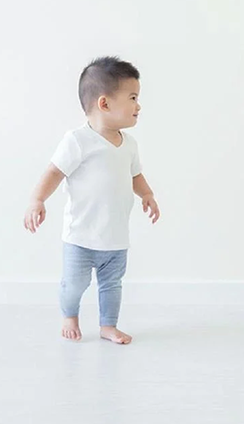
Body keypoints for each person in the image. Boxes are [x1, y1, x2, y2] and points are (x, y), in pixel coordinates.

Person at [23, 56, 161, 344]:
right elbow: (54, 172)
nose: (139, 105)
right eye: (133, 97)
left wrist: (147, 194)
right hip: (81, 237)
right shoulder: (78, 141)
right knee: (75, 284)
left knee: (112, 285)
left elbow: (135, 175)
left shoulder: (130, 144)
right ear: (104, 104)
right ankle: (69, 314)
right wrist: (38, 199)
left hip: (115, 238)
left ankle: (108, 325)